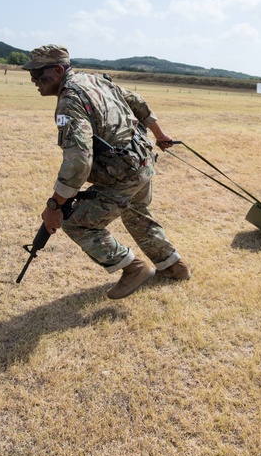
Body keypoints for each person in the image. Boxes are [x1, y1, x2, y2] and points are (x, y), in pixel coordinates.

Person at [23, 44, 190, 300]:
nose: (34, 80)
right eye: (31, 75)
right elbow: (136, 101)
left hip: (122, 173)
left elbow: (78, 162)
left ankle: (133, 269)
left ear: (58, 69)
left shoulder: (70, 102)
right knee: (137, 214)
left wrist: (54, 206)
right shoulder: (94, 79)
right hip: (142, 160)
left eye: (38, 74)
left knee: (77, 223)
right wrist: (159, 134)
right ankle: (174, 267)